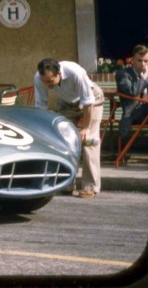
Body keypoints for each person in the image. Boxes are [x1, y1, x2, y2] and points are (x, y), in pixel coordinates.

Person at [34, 57, 104, 198]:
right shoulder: (39, 78)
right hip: (67, 103)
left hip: (92, 100)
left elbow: (88, 102)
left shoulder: (75, 72)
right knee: (64, 141)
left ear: (59, 74)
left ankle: (90, 186)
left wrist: (85, 128)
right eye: (44, 82)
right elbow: (40, 106)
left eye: (50, 82)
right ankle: (66, 184)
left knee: (88, 140)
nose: (47, 85)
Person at [115, 44, 148, 140]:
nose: (143, 64)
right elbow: (132, 91)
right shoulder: (123, 74)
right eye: (139, 60)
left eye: (146, 61)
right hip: (133, 113)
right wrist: (145, 76)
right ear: (132, 60)